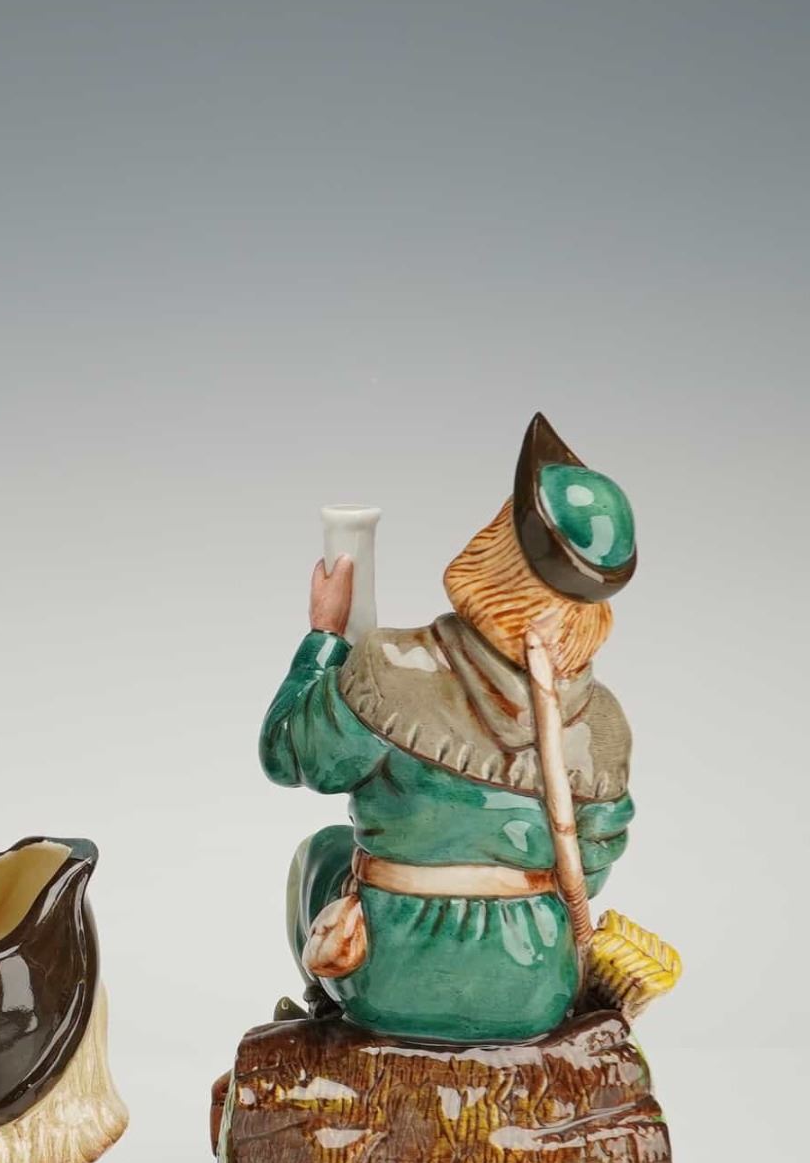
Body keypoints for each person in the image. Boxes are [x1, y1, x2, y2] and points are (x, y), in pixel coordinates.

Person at [262, 414, 636, 1042]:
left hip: (387, 977)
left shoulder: (393, 666)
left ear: (495, 556)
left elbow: (289, 755)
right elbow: (595, 863)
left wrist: (325, 638)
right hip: (535, 987)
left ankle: (329, 1008)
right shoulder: (603, 720)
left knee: (324, 852)